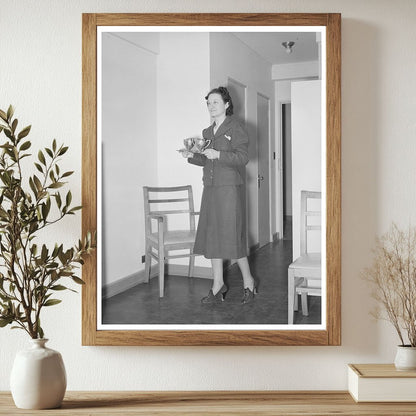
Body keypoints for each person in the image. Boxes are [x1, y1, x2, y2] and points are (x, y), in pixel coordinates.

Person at [182, 86, 257, 304]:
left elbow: (242, 157)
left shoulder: (236, 127)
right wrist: (191, 155)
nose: (211, 106)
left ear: (226, 105)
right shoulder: (206, 132)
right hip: (211, 189)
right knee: (213, 235)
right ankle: (218, 285)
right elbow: (206, 160)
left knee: (233, 236)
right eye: (208, 103)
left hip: (230, 189)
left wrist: (219, 154)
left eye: (215, 102)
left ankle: (249, 282)